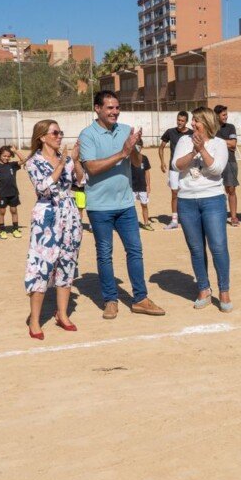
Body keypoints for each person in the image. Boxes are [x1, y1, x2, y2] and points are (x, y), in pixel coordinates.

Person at [78, 90, 164, 319]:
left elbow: (136, 162)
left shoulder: (126, 130)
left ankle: (140, 299)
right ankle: (110, 300)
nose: (115, 112)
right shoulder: (87, 135)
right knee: (105, 254)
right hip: (99, 207)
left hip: (126, 204)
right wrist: (122, 152)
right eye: (110, 108)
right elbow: (91, 168)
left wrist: (133, 148)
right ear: (97, 108)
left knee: (135, 251)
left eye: (117, 107)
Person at [24, 120, 83, 340]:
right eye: (55, 133)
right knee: (41, 266)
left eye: (60, 133)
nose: (59, 136)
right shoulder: (33, 161)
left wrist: (75, 161)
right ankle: (35, 320)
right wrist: (61, 164)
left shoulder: (65, 159)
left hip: (70, 214)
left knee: (67, 264)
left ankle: (62, 314)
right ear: (42, 137)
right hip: (47, 217)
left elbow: (81, 181)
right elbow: (43, 188)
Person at [172, 106, 232, 312]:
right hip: (187, 201)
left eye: (196, 120)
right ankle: (204, 289)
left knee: (218, 247)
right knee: (196, 249)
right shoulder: (184, 141)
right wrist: (193, 152)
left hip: (212, 200)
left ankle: (224, 291)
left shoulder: (219, 143)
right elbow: (176, 165)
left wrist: (202, 150)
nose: (192, 124)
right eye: (192, 120)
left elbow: (216, 169)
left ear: (206, 123)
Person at [158, 111, 192, 230]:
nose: (179, 122)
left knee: (188, 191)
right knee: (174, 193)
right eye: (178, 120)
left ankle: (189, 217)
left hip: (187, 168)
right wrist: (162, 162)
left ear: (186, 122)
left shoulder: (192, 133)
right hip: (174, 168)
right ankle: (174, 220)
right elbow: (161, 148)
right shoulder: (170, 132)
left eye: (182, 121)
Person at [0, 146, 26, 239]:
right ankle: (2, 230)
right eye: (4, 156)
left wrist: (15, 151)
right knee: (2, 211)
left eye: (8, 156)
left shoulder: (12, 165)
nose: (6, 158)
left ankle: (15, 229)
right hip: (2, 193)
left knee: (14, 210)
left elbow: (24, 160)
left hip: (13, 192)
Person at [214, 105, 241, 226]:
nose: (226, 117)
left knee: (231, 189)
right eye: (223, 115)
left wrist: (217, 141)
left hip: (230, 161)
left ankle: (233, 217)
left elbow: (233, 144)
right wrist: (225, 142)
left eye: (226, 114)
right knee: (215, 190)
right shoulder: (211, 128)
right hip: (214, 162)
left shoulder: (231, 127)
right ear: (216, 116)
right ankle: (219, 215)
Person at [132, 138, 153, 230]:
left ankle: (146, 223)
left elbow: (147, 172)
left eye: (140, 146)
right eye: (137, 146)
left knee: (144, 205)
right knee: (131, 207)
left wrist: (148, 185)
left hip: (142, 186)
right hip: (131, 187)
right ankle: (132, 224)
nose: (138, 148)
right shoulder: (129, 159)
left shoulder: (144, 158)